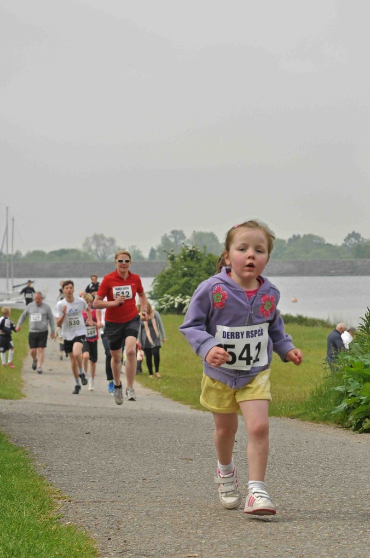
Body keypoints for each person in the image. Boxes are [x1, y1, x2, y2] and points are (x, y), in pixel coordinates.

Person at [179, 220, 303, 516]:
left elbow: (275, 329)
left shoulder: (269, 294)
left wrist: (287, 349)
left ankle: (257, 491)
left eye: (259, 250)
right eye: (243, 248)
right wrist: (208, 348)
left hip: (255, 373)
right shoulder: (211, 289)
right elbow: (191, 325)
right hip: (220, 375)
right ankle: (225, 471)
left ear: (267, 258)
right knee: (225, 429)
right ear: (227, 255)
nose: (251, 255)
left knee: (259, 426)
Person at [93, 250, 149, 405]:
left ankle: (130, 388)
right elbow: (96, 303)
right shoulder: (108, 279)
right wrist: (113, 303)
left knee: (131, 351)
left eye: (126, 261)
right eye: (120, 261)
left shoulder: (135, 279)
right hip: (113, 322)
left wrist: (143, 310)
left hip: (131, 318)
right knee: (116, 357)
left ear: (130, 263)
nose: (123, 264)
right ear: (115, 263)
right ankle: (117, 385)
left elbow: (142, 295)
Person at [55, 280, 93, 394]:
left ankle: (81, 373)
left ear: (73, 289)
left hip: (79, 331)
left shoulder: (80, 301)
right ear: (63, 290)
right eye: (66, 288)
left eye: (71, 288)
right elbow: (58, 324)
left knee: (77, 353)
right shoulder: (60, 304)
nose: (69, 290)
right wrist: (64, 314)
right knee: (72, 360)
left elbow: (88, 309)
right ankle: (77, 384)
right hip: (67, 334)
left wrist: (90, 319)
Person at [16, 291, 55, 374]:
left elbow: (51, 319)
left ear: (41, 298)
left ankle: (39, 367)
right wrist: (18, 325)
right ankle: (35, 359)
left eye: (38, 299)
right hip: (32, 332)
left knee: (41, 349)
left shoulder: (46, 307)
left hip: (43, 331)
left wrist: (53, 331)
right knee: (32, 351)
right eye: (35, 299)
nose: (37, 300)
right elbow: (23, 315)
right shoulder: (30, 306)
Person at [138, 302, 166, 378]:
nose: (146, 309)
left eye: (147, 307)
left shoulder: (155, 314)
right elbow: (139, 329)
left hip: (156, 337)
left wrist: (163, 336)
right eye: (144, 308)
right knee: (148, 356)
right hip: (146, 339)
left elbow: (160, 325)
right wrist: (138, 340)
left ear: (149, 307)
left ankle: (157, 371)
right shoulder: (140, 316)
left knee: (156, 353)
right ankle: (150, 373)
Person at [82, 293, 101, 391]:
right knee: (85, 356)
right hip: (84, 338)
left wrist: (93, 323)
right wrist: (84, 323)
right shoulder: (81, 313)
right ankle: (84, 374)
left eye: (90, 302)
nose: (88, 304)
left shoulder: (95, 312)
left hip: (93, 338)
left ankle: (92, 380)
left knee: (93, 361)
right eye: (86, 302)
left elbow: (99, 324)